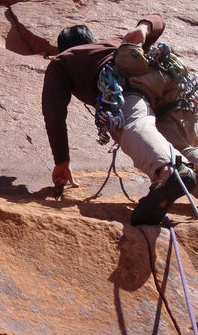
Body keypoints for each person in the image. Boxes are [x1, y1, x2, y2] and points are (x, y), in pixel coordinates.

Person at [42, 15, 196, 225]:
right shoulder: (116, 42)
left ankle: (170, 172)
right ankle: (182, 168)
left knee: (132, 124)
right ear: (93, 39)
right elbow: (159, 21)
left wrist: (62, 161)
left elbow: (54, 112)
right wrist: (144, 27)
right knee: (181, 147)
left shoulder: (63, 60)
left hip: (124, 82)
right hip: (169, 81)